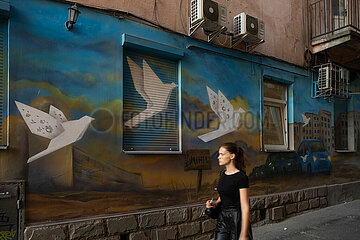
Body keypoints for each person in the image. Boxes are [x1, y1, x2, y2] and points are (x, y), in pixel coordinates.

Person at [206, 142, 253, 240]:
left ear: (232, 156)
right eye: (219, 154)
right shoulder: (222, 174)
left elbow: (245, 206)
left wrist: (244, 235)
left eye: (222, 154)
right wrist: (215, 203)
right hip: (222, 218)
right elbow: (225, 194)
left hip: (237, 218)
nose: (218, 157)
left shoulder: (241, 177)